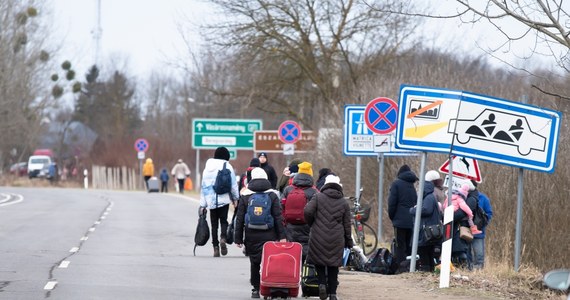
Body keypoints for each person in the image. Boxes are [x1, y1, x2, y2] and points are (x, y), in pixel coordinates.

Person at [234, 167, 286, 299]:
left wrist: (238, 238)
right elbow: (278, 217)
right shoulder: (273, 195)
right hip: (269, 233)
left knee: (254, 262)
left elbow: (239, 219)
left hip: (251, 234)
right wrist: (282, 236)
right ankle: (269, 287)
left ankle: (255, 289)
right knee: (270, 261)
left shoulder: (245, 195)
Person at [304, 175, 353, 300]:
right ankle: (333, 293)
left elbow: (308, 211)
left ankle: (321, 284)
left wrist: (312, 223)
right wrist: (349, 241)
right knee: (333, 265)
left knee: (319, 262)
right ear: (338, 186)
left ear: (326, 184)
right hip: (336, 238)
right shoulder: (343, 202)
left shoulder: (318, 197)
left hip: (318, 236)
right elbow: (347, 225)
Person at [199, 147, 240, 257]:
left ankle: (215, 247)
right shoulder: (228, 166)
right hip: (224, 198)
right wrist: (236, 199)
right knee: (223, 221)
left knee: (214, 224)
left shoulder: (206, 169)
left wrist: (203, 204)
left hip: (211, 201)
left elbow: (204, 187)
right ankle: (223, 238)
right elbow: (233, 185)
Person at [281, 161, 318, 261]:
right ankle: (305, 272)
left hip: (290, 226)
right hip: (307, 226)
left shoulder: (288, 189)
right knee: (306, 249)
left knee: (292, 250)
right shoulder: (314, 191)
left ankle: (294, 272)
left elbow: (281, 207)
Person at [388, 164, 418, 269]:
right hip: (412, 220)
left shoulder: (396, 184)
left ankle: (401, 267)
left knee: (400, 245)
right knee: (410, 244)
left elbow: (392, 203)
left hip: (399, 221)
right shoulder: (412, 186)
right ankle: (410, 266)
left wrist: (392, 217)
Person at [409, 179, 442, 272]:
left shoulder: (428, 198)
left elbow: (426, 210)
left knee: (424, 251)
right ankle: (429, 270)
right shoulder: (430, 197)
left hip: (426, 231)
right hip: (429, 230)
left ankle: (426, 271)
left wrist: (413, 210)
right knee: (428, 252)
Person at [468, 180, 493, 269]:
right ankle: (468, 271)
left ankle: (478, 272)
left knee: (479, 256)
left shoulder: (483, 198)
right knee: (467, 255)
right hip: (465, 230)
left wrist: (481, 223)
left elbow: (489, 213)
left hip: (478, 232)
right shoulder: (464, 196)